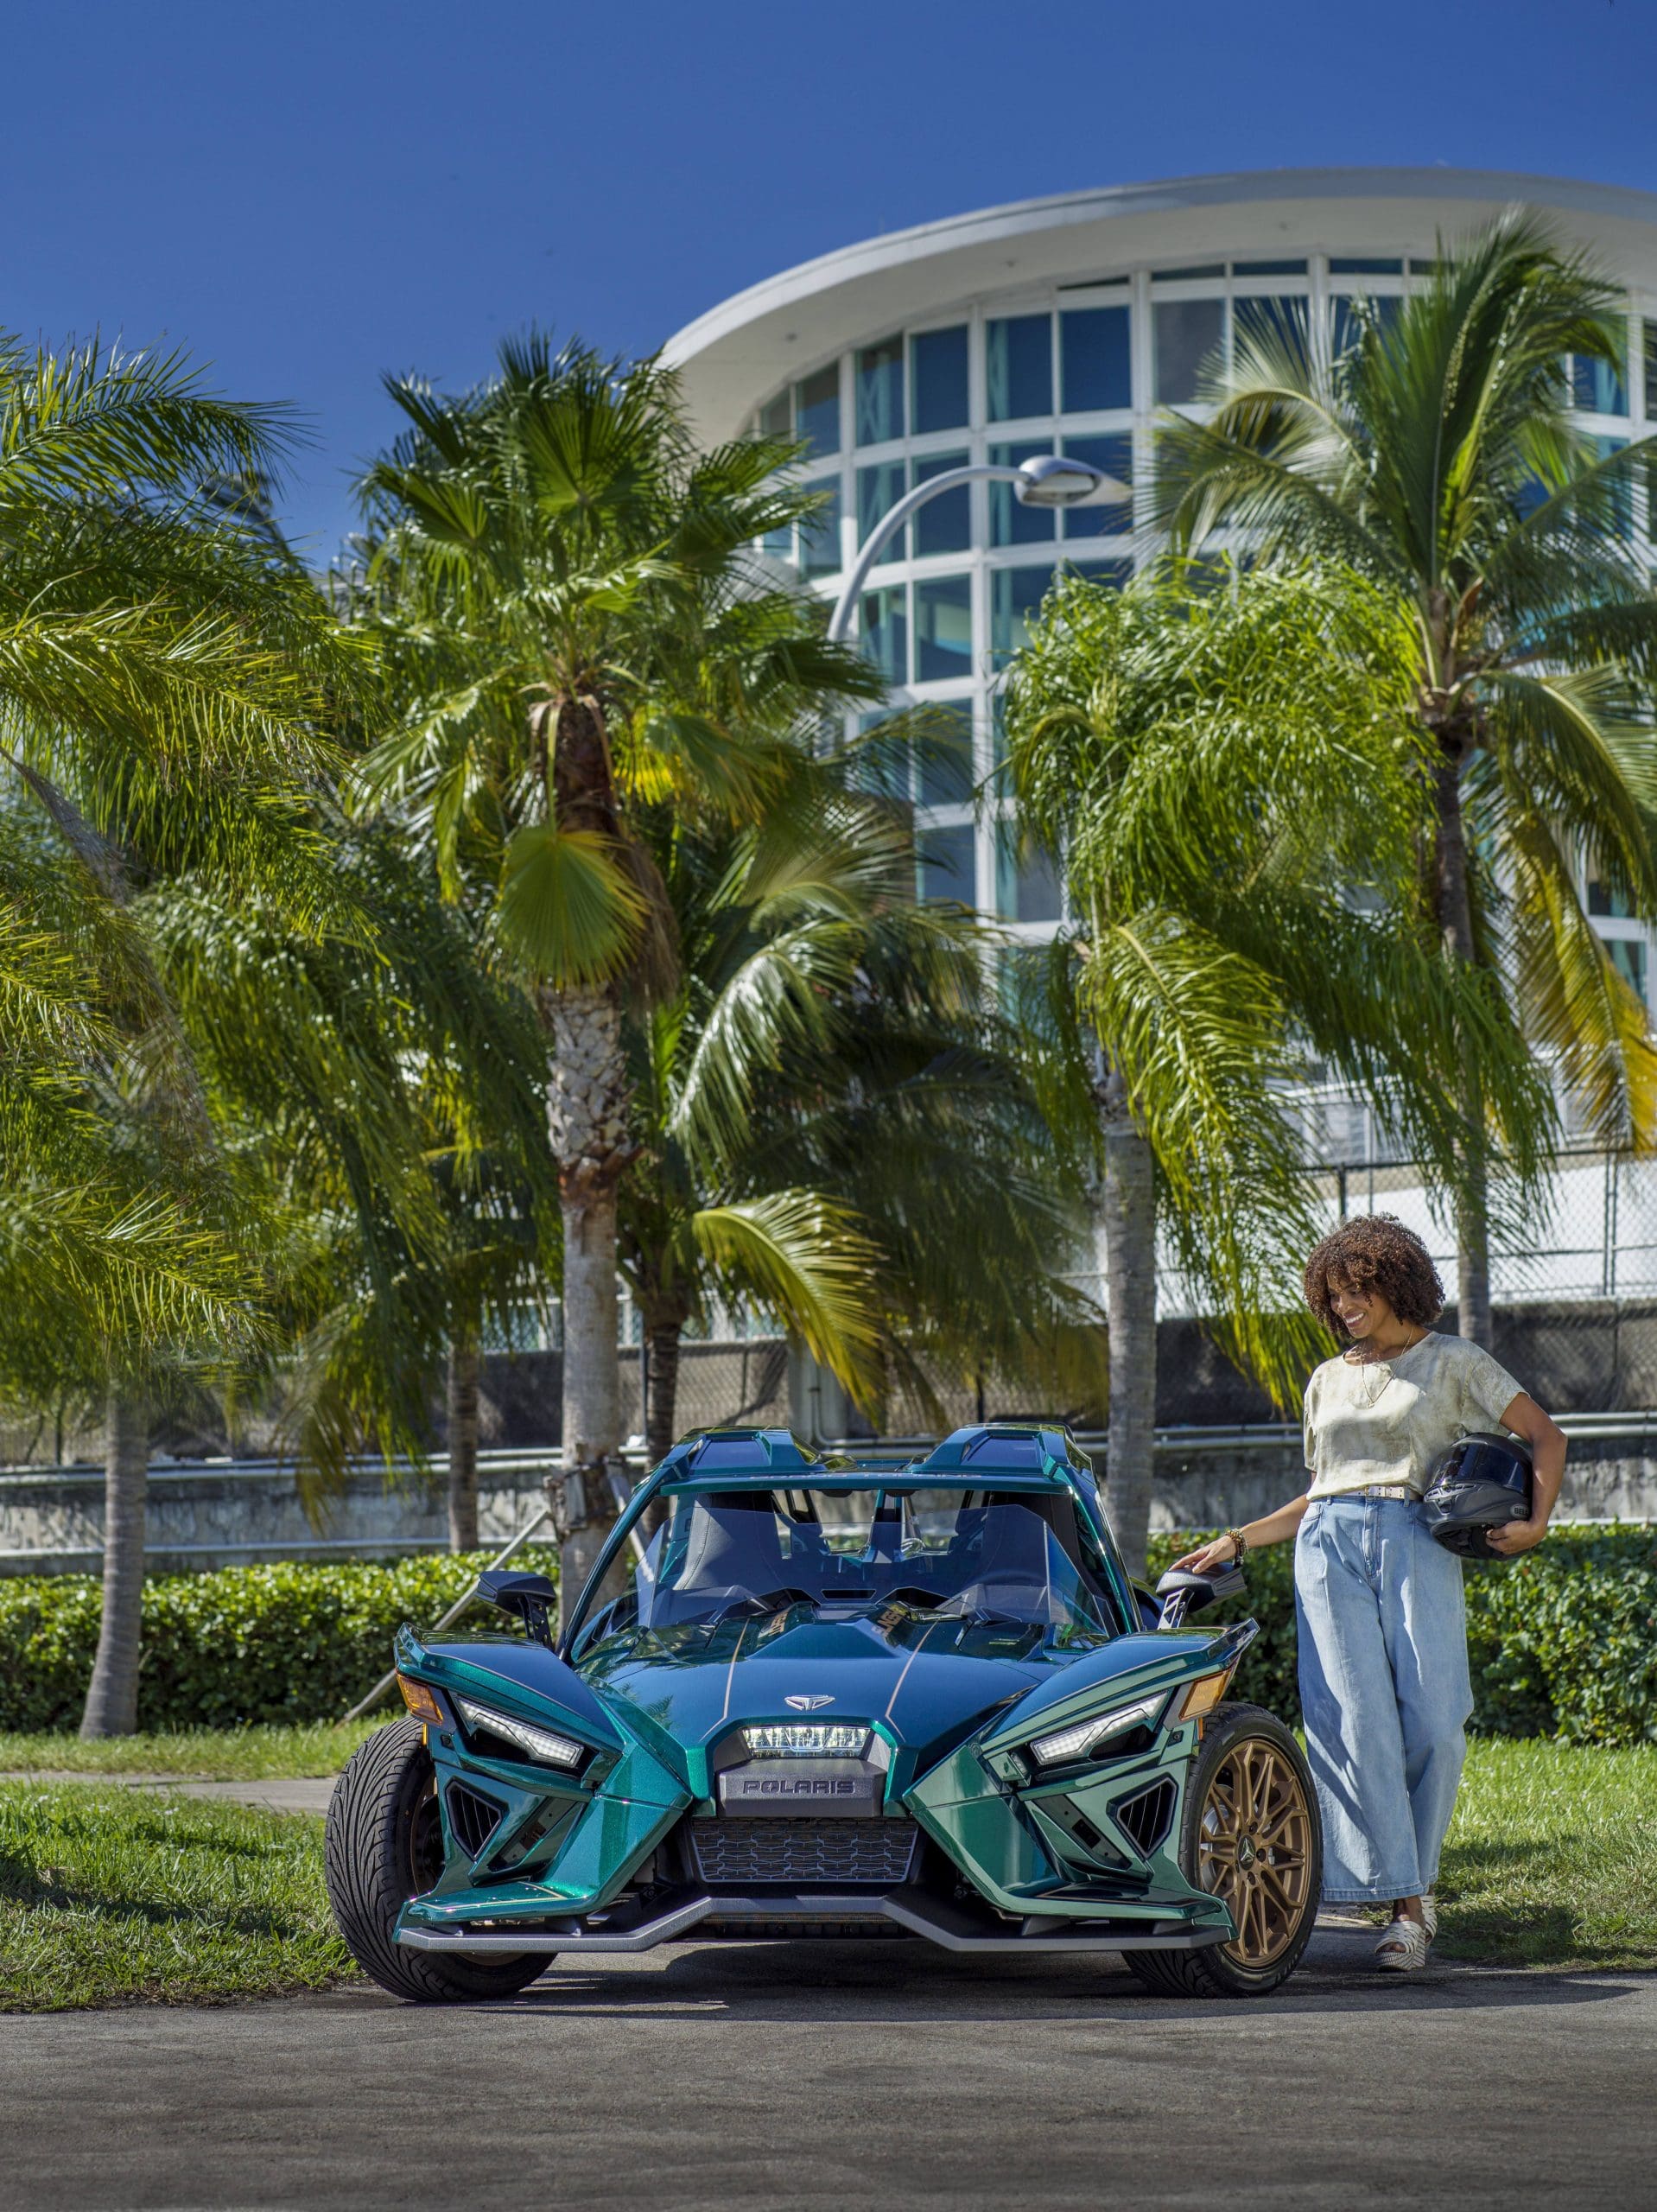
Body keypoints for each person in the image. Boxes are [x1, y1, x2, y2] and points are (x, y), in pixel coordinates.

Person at [1174, 1215, 1565, 1972]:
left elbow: (1546, 1436)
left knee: (1437, 1723)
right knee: (1355, 1726)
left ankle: (1408, 1883)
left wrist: (1537, 1522)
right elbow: (1319, 1493)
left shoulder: (1453, 1361)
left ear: (1395, 1284)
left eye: (1357, 1291)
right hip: (1328, 1548)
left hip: (1416, 1538)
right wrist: (1237, 1539)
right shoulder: (1327, 1379)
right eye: (1333, 1296)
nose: (1345, 1307)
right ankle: (1406, 1910)